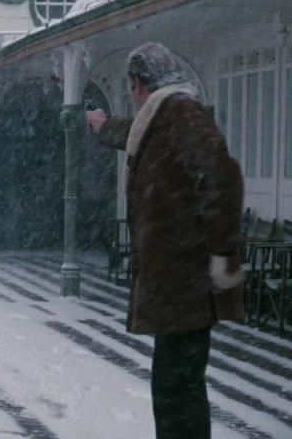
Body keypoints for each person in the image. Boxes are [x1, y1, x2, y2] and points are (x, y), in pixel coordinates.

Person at [85, 42, 244, 439]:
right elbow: (140, 136)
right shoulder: (168, 116)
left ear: (139, 83)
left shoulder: (181, 113)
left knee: (178, 387)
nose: (132, 96)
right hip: (179, 282)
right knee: (176, 384)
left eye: (131, 87)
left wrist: (222, 253)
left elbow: (222, 178)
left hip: (185, 279)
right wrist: (103, 126)